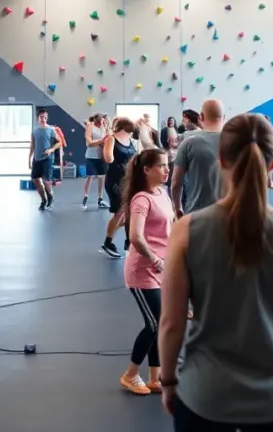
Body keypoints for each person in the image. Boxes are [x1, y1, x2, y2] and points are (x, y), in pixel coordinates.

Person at [157, 113, 273, 430]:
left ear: (221, 159)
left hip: (203, 396)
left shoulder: (185, 231)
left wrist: (167, 381)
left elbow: (171, 323)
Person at [120, 148, 175, 395]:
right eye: (161, 166)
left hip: (162, 268)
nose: (167, 170)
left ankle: (155, 377)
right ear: (146, 170)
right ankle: (130, 375)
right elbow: (135, 236)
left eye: (167, 165)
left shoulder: (163, 193)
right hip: (142, 271)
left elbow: (170, 226)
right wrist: (154, 259)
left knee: (161, 323)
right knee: (154, 324)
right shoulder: (141, 199)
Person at [171, 100, 224, 216]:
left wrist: (177, 208)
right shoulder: (237, 143)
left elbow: (176, 183)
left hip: (196, 215)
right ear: (224, 117)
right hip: (230, 215)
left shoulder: (188, 143)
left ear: (201, 117)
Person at [101, 117, 139, 259]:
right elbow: (108, 158)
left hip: (128, 180)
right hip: (115, 181)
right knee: (119, 212)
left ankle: (128, 242)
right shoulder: (111, 139)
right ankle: (108, 242)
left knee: (126, 214)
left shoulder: (130, 141)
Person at [28, 108, 62, 211]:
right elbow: (32, 146)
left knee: (46, 181)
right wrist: (29, 159)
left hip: (47, 158)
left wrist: (51, 149)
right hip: (37, 158)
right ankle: (43, 200)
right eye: (41, 117)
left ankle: (50, 196)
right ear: (38, 118)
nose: (43, 119)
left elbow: (59, 142)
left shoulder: (51, 129)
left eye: (45, 117)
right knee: (36, 179)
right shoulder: (34, 130)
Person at [83, 115, 109, 210]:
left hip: (101, 156)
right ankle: (85, 197)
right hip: (91, 156)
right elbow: (89, 143)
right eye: (100, 122)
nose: (102, 123)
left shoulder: (104, 128)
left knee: (101, 177)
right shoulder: (90, 127)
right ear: (96, 121)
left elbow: (107, 141)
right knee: (90, 176)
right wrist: (101, 141)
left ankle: (100, 199)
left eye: (103, 122)